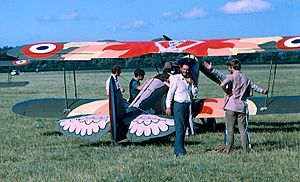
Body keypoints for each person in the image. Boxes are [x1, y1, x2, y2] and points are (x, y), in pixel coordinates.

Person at [205, 59, 267, 154]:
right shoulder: (246, 78)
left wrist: (227, 91)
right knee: (243, 130)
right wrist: (263, 91)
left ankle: (229, 150)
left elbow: (221, 80)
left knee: (230, 130)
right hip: (241, 106)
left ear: (231, 67)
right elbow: (254, 87)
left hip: (231, 106)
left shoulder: (231, 77)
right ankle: (246, 150)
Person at [165, 63, 198, 156]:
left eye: (187, 69)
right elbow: (170, 93)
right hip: (179, 105)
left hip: (187, 105)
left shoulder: (189, 79)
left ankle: (179, 149)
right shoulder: (176, 78)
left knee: (183, 128)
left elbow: (194, 93)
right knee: (179, 129)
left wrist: (192, 83)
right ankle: (179, 151)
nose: (185, 71)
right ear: (181, 69)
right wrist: (168, 106)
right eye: (184, 69)